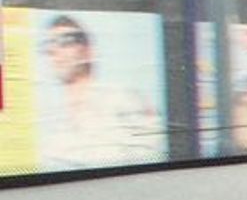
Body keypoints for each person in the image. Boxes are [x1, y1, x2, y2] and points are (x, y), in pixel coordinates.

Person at [37, 15, 165, 171]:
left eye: (66, 41)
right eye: (49, 44)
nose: (54, 51)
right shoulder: (53, 119)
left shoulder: (122, 98)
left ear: (89, 52)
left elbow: (157, 152)